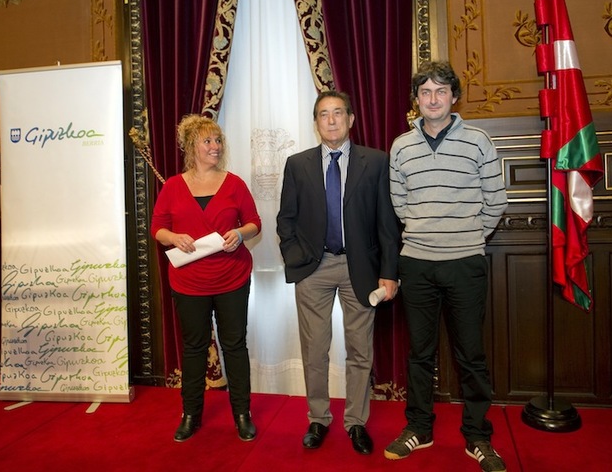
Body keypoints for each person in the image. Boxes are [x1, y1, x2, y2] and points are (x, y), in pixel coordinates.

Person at [384, 61, 508, 472]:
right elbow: (400, 204)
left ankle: (477, 436)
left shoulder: (478, 141)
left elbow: (496, 201)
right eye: (425, 92)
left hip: (465, 263)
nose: (432, 99)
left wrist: (468, 237)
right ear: (416, 100)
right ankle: (419, 428)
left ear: (453, 97)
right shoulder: (401, 146)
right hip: (416, 263)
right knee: (420, 353)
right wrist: (426, 233)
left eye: (441, 91)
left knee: (470, 354)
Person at [277, 91, 400, 455]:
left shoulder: (376, 162)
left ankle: (356, 422)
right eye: (323, 115)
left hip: (359, 268)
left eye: (337, 113)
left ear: (351, 119)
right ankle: (318, 418)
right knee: (315, 349)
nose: (331, 120)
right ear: (315, 123)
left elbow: (387, 222)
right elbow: (287, 219)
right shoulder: (297, 164)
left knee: (360, 350)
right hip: (313, 269)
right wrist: (296, 258)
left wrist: (389, 271)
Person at [151, 114, 262, 443]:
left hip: (232, 278)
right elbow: (157, 229)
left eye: (218, 141)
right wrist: (173, 238)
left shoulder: (235, 183)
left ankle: (243, 415)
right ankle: (190, 415)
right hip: (189, 284)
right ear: (191, 147)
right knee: (195, 349)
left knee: (235, 347)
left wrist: (240, 235)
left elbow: (254, 222)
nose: (215, 147)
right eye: (208, 141)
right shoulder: (172, 186)